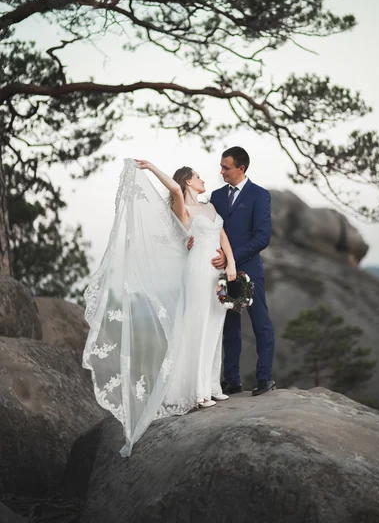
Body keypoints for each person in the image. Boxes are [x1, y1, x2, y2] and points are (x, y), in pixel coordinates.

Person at [83, 158, 236, 457]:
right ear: (188, 181)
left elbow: (222, 236)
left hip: (216, 273)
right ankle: (197, 391)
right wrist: (151, 168)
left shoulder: (211, 207)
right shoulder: (183, 206)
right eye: (198, 176)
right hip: (196, 271)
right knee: (197, 325)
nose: (204, 180)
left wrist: (230, 264)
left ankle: (211, 385)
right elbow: (174, 190)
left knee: (215, 325)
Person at [210, 146, 275, 396]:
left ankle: (265, 378)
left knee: (261, 325)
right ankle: (232, 380)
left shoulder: (259, 195)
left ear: (241, 168)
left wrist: (230, 257)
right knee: (229, 328)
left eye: (226, 167)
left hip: (249, 270)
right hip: (224, 274)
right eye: (221, 166)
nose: (221, 171)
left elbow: (262, 238)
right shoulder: (216, 197)